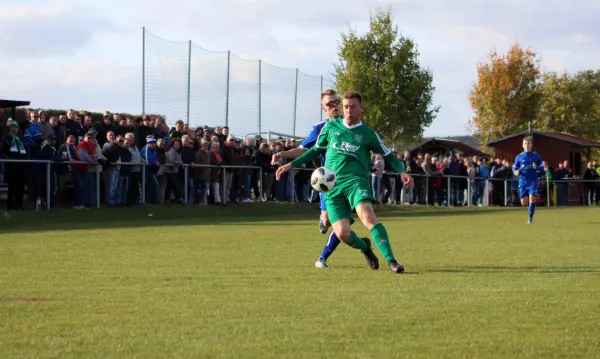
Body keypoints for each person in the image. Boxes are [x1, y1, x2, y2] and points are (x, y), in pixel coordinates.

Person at [276, 91, 413, 274]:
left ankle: (392, 261)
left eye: (353, 107)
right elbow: (314, 151)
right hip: (332, 186)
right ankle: (365, 246)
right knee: (342, 233)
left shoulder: (368, 134)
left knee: (367, 216)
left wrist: (402, 171)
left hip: (356, 182)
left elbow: (388, 155)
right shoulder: (330, 127)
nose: (348, 111)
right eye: (346, 107)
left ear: (361, 108)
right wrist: (289, 165)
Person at [271, 89, 359, 269]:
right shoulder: (320, 128)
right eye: (330, 104)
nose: (335, 106)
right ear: (323, 108)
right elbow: (304, 150)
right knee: (327, 221)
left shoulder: (352, 125)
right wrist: (282, 154)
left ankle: (322, 258)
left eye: (336, 102)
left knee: (342, 222)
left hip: (349, 182)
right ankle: (323, 219)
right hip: (328, 182)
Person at [512, 135, 543, 224]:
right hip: (522, 181)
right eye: (525, 143)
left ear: (531, 145)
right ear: (522, 145)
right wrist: (515, 172)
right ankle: (530, 206)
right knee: (523, 203)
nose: (527, 145)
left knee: (532, 199)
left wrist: (536, 167)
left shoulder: (536, 156)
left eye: (528, 143)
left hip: (533, 180)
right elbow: (514, 167)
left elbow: (541, 166)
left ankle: (530, 218)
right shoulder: (519, 157)